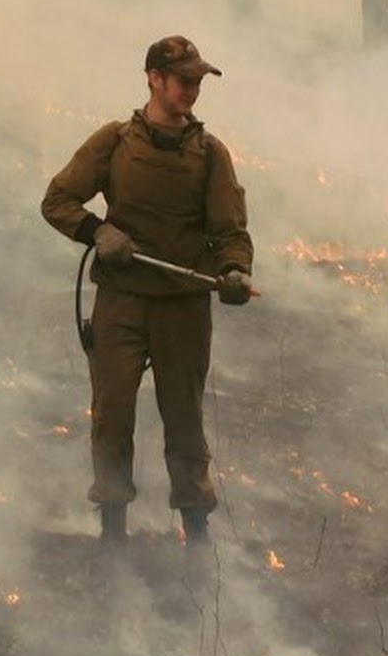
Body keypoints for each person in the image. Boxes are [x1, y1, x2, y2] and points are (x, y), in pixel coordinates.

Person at [41, 34, 254, 547]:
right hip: (122, 301)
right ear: (154, 79)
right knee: (112, 413)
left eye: (198, 81)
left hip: (183, 305)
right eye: (184, 80)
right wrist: (99, 233)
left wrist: (234, 271)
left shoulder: (210, 155)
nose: (192, 91)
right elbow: (58, 200)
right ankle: (112, 532)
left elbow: (231, 232)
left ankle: (196, 534)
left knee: (184, 420)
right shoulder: (114, 143)